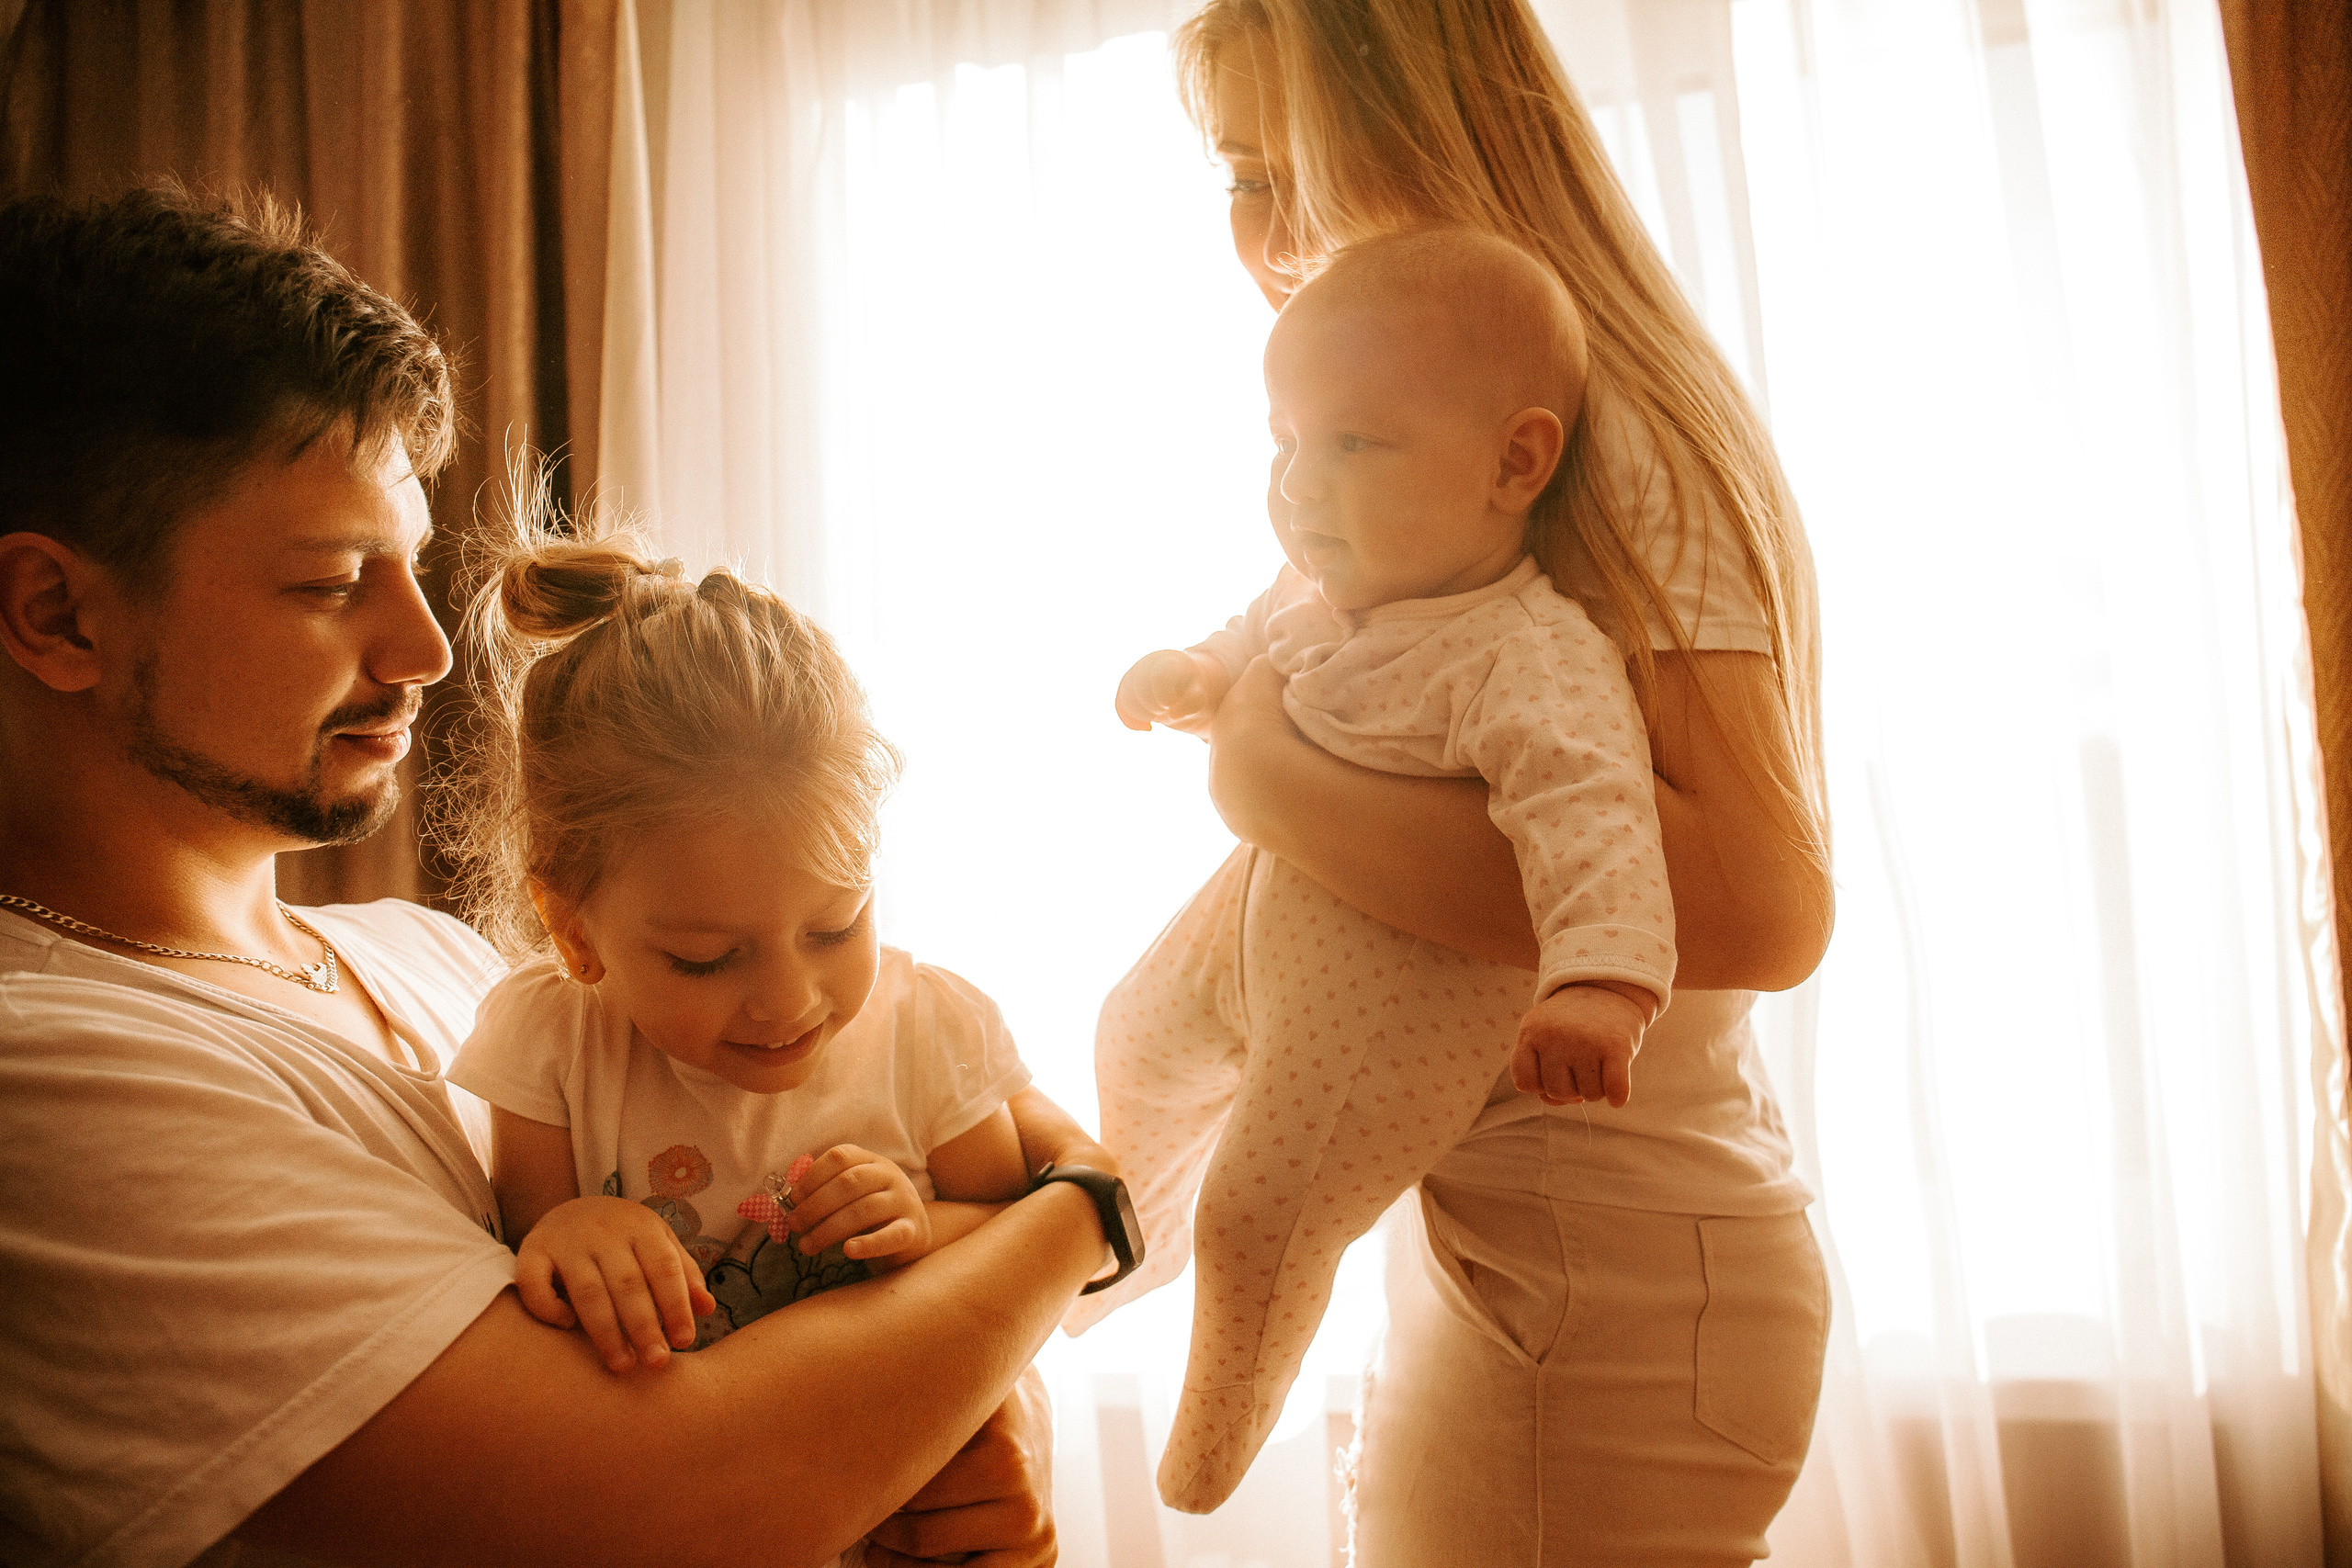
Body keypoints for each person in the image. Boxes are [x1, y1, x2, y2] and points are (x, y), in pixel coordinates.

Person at [0, 185, 1112, 1568]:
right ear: (56, 612)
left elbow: (893, 1305)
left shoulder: (444, 956)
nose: (428, 649)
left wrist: (983, 1447)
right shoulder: (48, 1071)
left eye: (407, 567)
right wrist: (1082, 1213)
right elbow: (679, 1499)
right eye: (333, 578)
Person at [1165, 3, 1837, 1563]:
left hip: (1605, 1279)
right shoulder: (1451, 438)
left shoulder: (1622, 448)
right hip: (1549, 1254)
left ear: (1429, 131)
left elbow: (1756, 898)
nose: (1266, 239)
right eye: (1235, 182)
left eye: (1294, 169)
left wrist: (1262, 781)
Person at [1080, 227, 1676, 1510]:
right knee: (1130, 1031)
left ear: (1515, 462)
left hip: (1393, 996)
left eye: (1353, 443)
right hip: (1254, 913)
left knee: (1267, 1209)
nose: (1299, 482)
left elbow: (1599, 820)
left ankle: (1207, 1446)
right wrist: (1195, 673)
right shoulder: (1319, 578)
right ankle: (1131, 1238)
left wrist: (1601, 984)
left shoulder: (1529, 654)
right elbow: (1250, 633)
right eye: (1287, 441)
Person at [443, 517, 1117, 1390]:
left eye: (836, 928)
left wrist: (920, 1223)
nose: (789, 999)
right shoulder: (551, 1039)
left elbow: (1009, 1224)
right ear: (572, 928)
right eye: (708, 956)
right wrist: (565, 1233)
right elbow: (528, 1247)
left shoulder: (930, 1028)